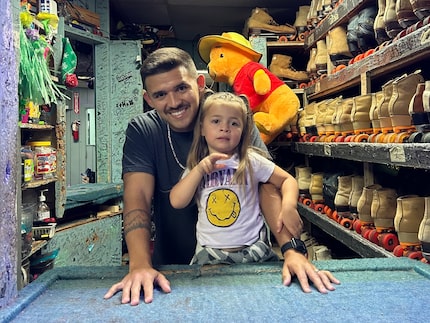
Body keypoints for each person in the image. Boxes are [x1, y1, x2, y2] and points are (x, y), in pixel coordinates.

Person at [104, 47, 339, 306]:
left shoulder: (228, 116)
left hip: (243, 268)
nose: (173, 102)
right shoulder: (144, 130)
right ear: (148, 99)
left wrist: (292, 251)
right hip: (171, 271)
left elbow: (265, 185)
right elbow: (137, 197)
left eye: (181, 88)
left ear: (200, 83)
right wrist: (138, 265)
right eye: (160, 95)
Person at [169, 92, 299, 265]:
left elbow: (287, 180)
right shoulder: (198, 166)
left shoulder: (250, 160)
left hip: (254, 250)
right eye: (216, 121)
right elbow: (177, 201)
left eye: (234, 123)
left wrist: (289, 206)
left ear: (244, 131)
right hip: (210, 254)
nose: (225, 128)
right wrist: (199, 171)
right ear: (201, 128)